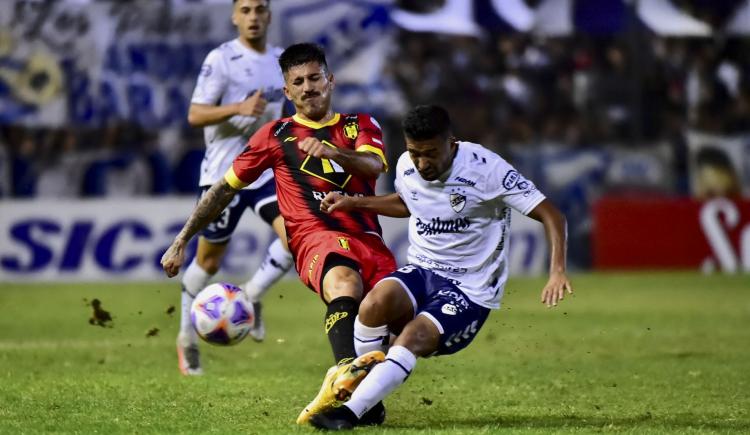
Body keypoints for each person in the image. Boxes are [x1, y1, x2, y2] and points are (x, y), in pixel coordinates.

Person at [161, 43, 397, 424]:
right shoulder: (275, 135)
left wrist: (333, 153)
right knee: (343, 281)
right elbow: (224, 189)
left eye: (314, 78)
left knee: (397, 322)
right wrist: (182, 238)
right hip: (315, 237)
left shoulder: (360, 124)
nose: (308, 87)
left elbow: (372, 166)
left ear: (330, 80)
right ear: (287, 92)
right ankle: (347, 374)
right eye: (298, 82)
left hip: (369, 241)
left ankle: (368, 401)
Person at [310, 105, 573, 430]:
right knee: (373, 304)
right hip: (423, 270)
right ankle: (371, 405)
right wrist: (354, 201)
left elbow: (551, 214)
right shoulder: (407, 165)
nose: (422, 163)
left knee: (411, 337)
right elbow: (408, 203)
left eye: (431, 153)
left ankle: (351, 412)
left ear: (452, 143)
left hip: (471, 288)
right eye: (415, 153)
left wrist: (557, 269)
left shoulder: (487, 169)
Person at [176, 0, 295, 376]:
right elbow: (196, 113)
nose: (253, 16)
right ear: (234, 16)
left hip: (265, 172)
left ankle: (254, 292)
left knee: (297, 238)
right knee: (208, 262)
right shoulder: (222, 59)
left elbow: (288, 115)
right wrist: (237, 108)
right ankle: (186, 339)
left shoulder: (281, 61)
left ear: (269, 15)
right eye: (245, 10)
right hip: (224, 176)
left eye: (260, 9)